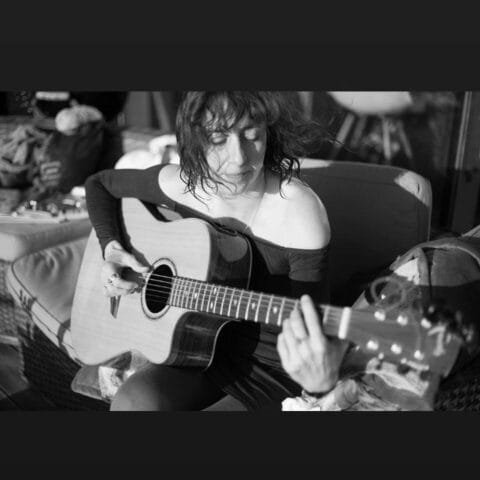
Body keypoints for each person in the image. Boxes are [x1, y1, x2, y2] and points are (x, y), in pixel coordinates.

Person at [84, 91, 348, 411]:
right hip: (193, 343)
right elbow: (99, 185)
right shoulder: (182, 185)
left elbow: (314, 326)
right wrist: (111, 248)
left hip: (272, 369)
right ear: (194, 139)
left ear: (270, 133)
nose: (239, 158)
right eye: (218, 138)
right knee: (132, 402)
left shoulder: (299, 211)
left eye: (252, 135)